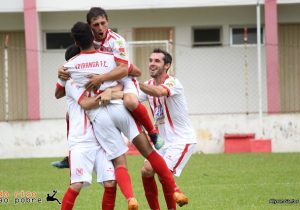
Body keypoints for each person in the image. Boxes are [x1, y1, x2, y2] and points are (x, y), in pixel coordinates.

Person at [65, 21, 189, 209]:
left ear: (75, 41)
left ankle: (131, 198)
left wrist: (65, 72)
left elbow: (59, 93)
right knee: (148, 151)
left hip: (99, 117)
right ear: (92, 35)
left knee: (119, 162)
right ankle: (175, 189)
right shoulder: (109, 57)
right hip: (118, 107)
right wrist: (115, 85)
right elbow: (133, 71)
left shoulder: (69, 68)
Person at [60, 7, 164, 150]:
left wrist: (101, 78)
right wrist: (61, 69)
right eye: (96, 25)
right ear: (89, 27)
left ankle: (153, 133)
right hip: (102, 84)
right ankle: (72, 151)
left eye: (103, 23)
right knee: (70, 114)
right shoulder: (87, 41)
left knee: (131, 101)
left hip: (121, 79)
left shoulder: (117, 40)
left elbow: (123, 70)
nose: (100, 28)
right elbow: (73, 60)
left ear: (108, 22)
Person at [139, 48, 197, 209]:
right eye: (150, 60)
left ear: (167, 66)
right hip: (162, 142)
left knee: (164, 175)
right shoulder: (148, 84)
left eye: (157, 61)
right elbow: (130, 98)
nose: (152, 64)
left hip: (181, 140)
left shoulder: (173, 82)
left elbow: (159, 92)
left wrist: (135, 83)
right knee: (146, 171)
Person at [57, 77, 120, 210]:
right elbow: (86, 103)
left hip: (101, 141)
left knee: (111, 182)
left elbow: (121, 85)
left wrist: (109, 90)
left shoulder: (100, 78)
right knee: (77, 184)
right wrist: (106, 95)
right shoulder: (71, 82)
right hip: (81, 143)